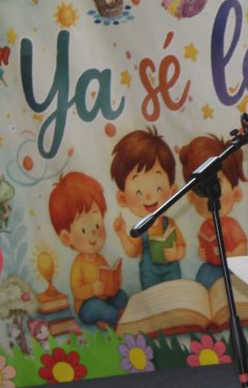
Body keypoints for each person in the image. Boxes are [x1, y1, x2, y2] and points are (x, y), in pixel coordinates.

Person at [49, 171, 129, 331]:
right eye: (85, 230)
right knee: (94, 308)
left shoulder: (100, 259)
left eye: (97, 226)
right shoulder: (78, 264)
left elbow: (107, 280)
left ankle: (107, 319)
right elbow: (76, 290)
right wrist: (92, 289)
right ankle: (118, 318)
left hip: (104, 298)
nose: (93, 233)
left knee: (122, 296)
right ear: (67, 237)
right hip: (86, 304)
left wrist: (115, 281)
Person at [110, 127, 187, 290]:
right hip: (150, 279)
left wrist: (176, 253)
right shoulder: (140, 229)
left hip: (172, 274)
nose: (149, 198)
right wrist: (122, 233)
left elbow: (181, 247)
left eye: (158, 189)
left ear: (173, 192)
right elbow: (132, 252)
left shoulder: (170, 223)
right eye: (139, 192)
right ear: (123, 199)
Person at [179, 134, 248, 289]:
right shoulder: (204, 226)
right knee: (203, 281)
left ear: (236, 193)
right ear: (191, 196)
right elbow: (203, 245)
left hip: (232, 267)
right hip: (211, 268)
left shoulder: (232, 225)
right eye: (200, 185)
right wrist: (202, 253)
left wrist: (234, 255)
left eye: (217, 182)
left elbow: (242, 244)